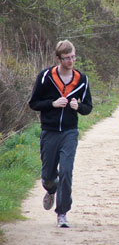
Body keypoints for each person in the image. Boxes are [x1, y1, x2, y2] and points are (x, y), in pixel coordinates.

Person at [29, 40, 92, 228]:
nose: (71, 60)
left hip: (70, 132)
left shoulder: (82, 79)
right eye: (67, 58)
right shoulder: (45, 77)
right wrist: (52, 104)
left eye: (73, 56)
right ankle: (50, 189)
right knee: (49, 175)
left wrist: (78, 106)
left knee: (66, 171)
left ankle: (62, 213)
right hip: (49, 131)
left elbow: (88, 107)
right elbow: (34, 103)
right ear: (58, 58)